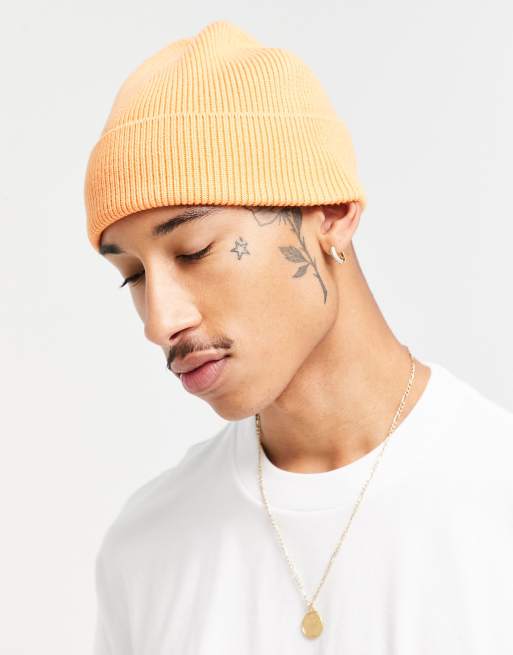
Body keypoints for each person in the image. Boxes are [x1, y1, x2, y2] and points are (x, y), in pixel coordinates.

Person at [84, 20, 513, 655]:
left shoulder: (496, 499)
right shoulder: (146, 548)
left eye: (195, 251)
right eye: (134, 276)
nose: (159, 322)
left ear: (331, 213)